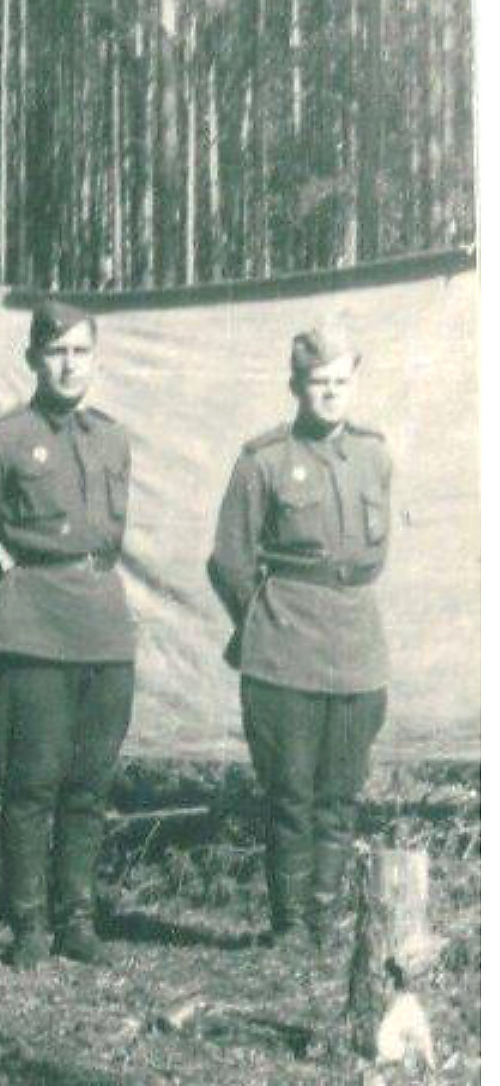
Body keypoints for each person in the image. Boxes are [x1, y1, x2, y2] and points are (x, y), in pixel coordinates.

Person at [0, 300, 135, 969]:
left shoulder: (113, 439)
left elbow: (109, 536)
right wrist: (4, 618)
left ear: (95, 358)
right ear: (33, 359)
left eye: (81, 351)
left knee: (90, 783)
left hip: (103, 628)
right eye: (56, 352)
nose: (69, 365)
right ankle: (28, 923)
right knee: (30, 785)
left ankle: (76, 919)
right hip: (32, 631)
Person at [207, 322, 392, 949]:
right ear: (296, 387)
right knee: (290, 791)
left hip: (357, 645)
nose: (332, 393)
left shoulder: (374, 454)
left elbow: (373, 554)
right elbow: (229, 561)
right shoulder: (264, 460)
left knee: (340, 792)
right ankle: (289, 925)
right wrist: (264, 622)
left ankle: (325, 921)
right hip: (285, 647)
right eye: (319, 383)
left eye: (342, 380)